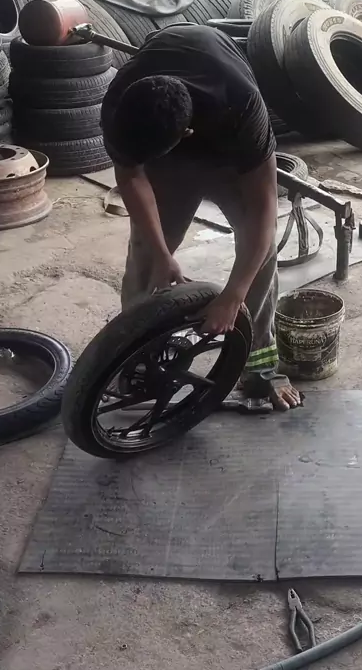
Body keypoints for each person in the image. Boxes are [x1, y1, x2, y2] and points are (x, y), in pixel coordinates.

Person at [101, 24, 301, 411]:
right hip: (167, 142)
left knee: (259, 253)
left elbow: (263, 211)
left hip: (230, 154)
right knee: (145, 255)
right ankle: (133, 358)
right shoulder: (122, 104)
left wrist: (233, 296)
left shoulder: (241, 104)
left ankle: (260, 371)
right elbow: (131, 177)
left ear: (187, 133)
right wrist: (162, 253)